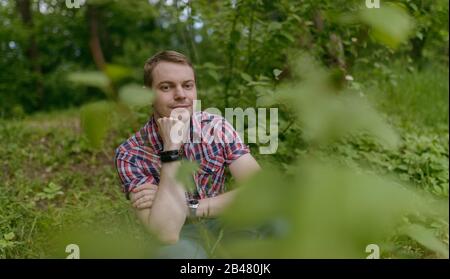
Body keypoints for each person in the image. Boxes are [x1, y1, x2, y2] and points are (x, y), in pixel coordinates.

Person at [114, 50, 262, 258]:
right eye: (166, 87)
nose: (181, 94)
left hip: (225, 220)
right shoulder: (131, 154)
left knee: (278, 222)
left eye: (187, 85)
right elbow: (165, 233)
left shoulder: (216, 127)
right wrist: (171, 149)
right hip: (182, 235)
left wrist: (191, 207)